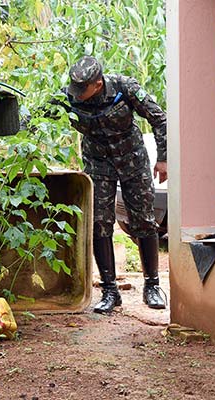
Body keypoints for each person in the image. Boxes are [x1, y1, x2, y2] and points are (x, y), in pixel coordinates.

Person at [59, 55, 167, 314]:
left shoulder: (124, 87)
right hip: (98, 164)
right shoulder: (69, 96)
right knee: (99, 223)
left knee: (143, 220)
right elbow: (39, 116)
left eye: (81, 90)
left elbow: (159, 119)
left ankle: (152, 286)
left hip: (133, 161)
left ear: (97, 84)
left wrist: (164, 159)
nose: (76, 95)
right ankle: (110, 291)